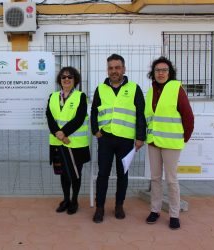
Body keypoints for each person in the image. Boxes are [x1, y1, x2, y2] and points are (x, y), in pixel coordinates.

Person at [91, 54, 146, 223]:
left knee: (123, 174)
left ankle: (119, 205)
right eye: (111, 68)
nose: (114, 71)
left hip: (125, 140)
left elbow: (140, 115)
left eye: (117, 67)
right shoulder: (100, 89)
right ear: (107, 70)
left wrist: (140, 137)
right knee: (103, 174)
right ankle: (100, 208)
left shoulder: (134, 88)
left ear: (124, 69)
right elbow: (94, 112)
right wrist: (95, 131)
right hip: (106, 139)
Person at [144, 56, 194, 230]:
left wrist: (184, 138)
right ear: (153, 73)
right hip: (153, 142)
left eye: (164, 70)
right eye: (157, 70)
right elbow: (149, 118)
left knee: (171, 180)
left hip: (171, 143)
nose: (161, 73)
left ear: (170, 72)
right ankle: (155, 210)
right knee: (155, 178)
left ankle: (174, 214)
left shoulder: (175, 88)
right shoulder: (150, 91)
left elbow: (188, 116)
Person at [46, 66, 91, 215]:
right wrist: (59, 134)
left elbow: (79, 119)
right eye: (63, 77)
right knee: (63, 174)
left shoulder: (81, 96)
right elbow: (49, 117)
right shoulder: (52, 96)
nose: (66, 79)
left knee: (75, 174)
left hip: (75, 145)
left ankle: (74, 200)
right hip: (58, 143)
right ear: (60, 80)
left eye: (70, 77)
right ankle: (65, 199)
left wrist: (64, 133)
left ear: (75, 80)